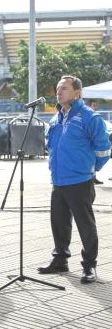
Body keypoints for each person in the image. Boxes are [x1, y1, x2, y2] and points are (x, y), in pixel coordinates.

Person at [38, 75, 111, 283]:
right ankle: (60, 259)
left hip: (80, 181)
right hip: (58, 180)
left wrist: (90, 169)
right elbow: (50, 145)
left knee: (85, 225)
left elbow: (104, 150)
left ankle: (89, 266)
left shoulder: (89, 117)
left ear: (77, 93)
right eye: (58, 88)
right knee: (59, 223)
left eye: (64, 89)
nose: (59, 92)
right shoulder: (56, 118)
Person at [87, 99, 103, 184]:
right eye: (93, 105)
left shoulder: (96, 116)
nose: (95, 107)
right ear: (90, 106)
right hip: (88, 143)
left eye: (96, 105)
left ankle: (94, 177)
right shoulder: (87, 115)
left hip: (94, 142)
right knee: (90, 160)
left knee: (94, 160)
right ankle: (90, 178)